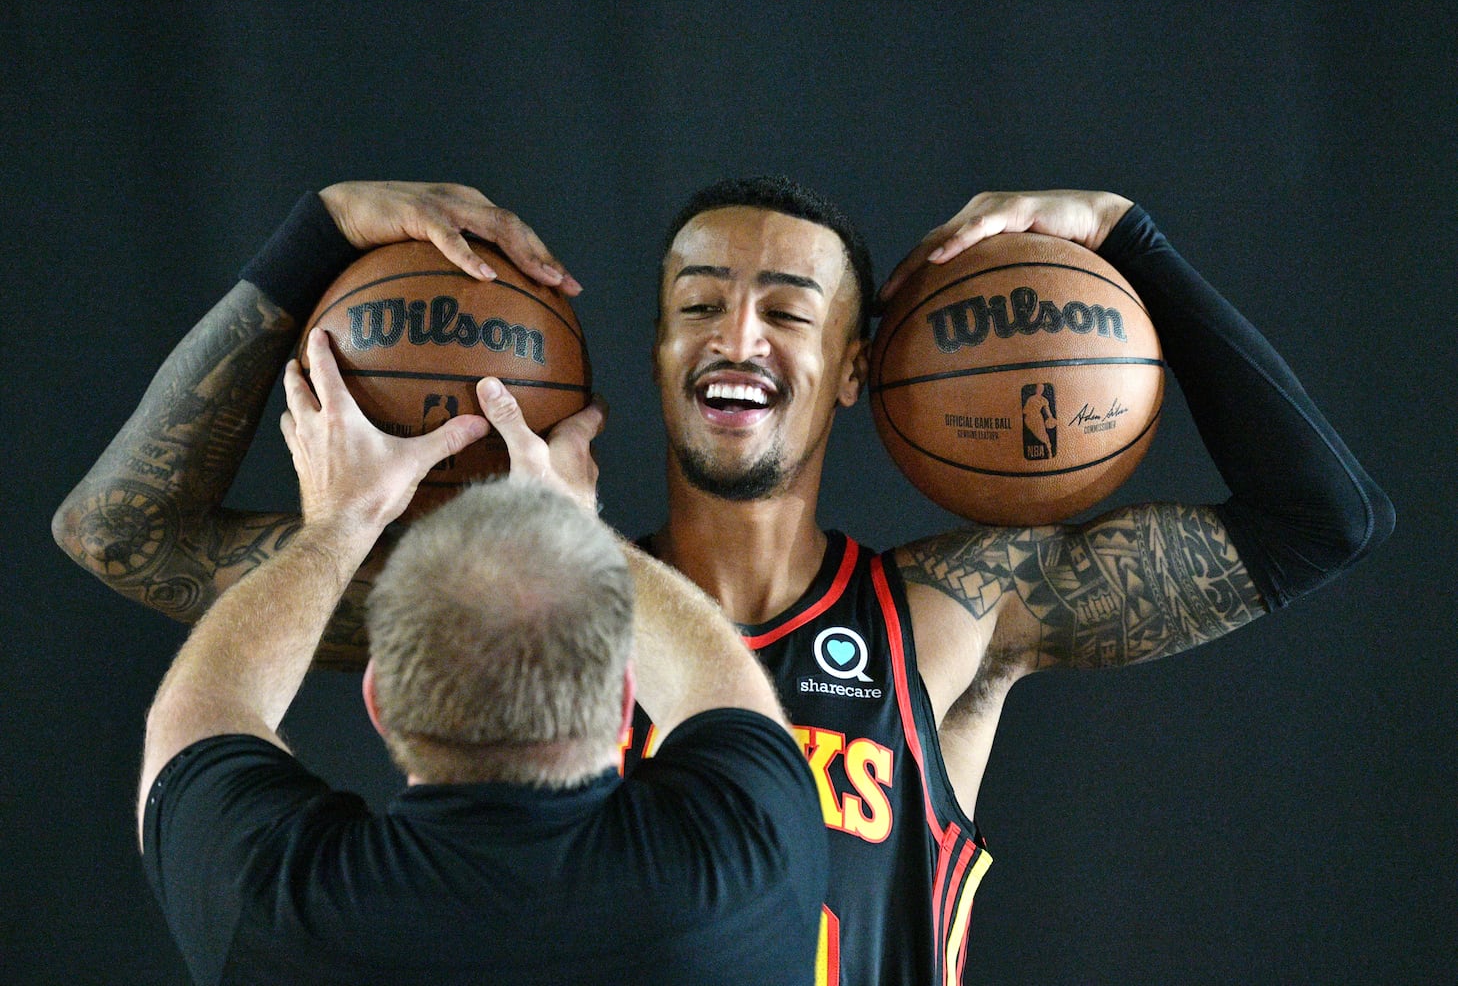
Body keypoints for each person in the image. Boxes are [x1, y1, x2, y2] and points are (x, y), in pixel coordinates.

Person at [55, 179, 1395, 984]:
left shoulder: (949, 616)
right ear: (648, 357)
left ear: (860, 369)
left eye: (785, 308)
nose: (734, 331)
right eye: (695, 302)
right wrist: (312, 248)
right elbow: (118, 534)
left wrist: (1124, 237)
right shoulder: (513, 607)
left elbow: (1317, 519)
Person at [132, 324, 827, 985]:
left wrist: (342, 521)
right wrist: (569, 523)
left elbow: (198, 707)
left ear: (380, 700)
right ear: (622, 697)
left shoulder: (277, 911)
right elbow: (722, 682)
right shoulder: (746, 867)